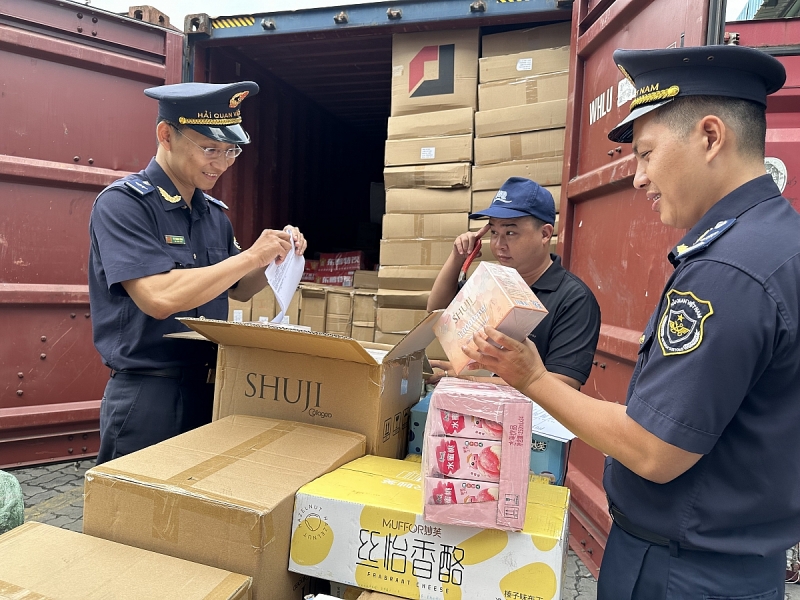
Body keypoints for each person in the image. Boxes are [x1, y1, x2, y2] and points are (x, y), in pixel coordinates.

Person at [462, 45, 793, 599]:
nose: (637, 177)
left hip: (684, 573)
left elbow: (652, 450)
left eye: (646, 153)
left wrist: (532, 378)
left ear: (711, 138)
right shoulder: (777, 241)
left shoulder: (728, 270)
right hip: (729, 563)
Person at [89, 81, 306, 464]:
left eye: (231, 151)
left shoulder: (212, 214)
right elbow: (159, 298)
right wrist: (250, 256)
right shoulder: (124, 205)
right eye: (210, 149)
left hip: (210, 389)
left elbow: (238, 288)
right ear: (166, 135)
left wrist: (276, 256)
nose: (221, 164)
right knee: (134, 516)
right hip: (150, 393)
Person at [427, 176, 600, 389]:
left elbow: (564, 385)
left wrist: (468, 380)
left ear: (545, 234)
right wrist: (457, 257)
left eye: (510, 232)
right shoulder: (494, 282)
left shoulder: (574, 299)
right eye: (494, 232)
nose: (499, 244)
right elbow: (438, 311)